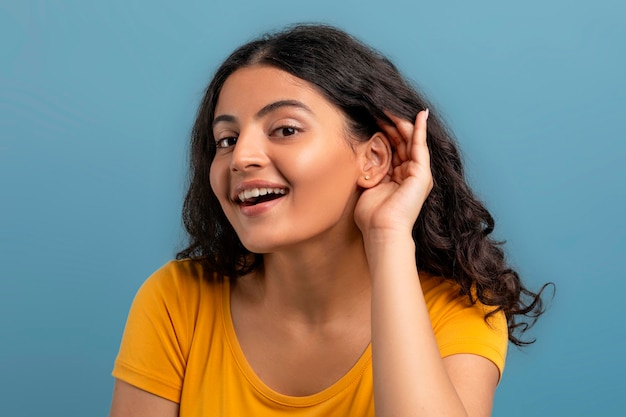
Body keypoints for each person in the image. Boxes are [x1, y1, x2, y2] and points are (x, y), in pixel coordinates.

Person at [109, 24, 549, 417]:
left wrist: (389, 237)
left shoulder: (457, 311)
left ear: (373, 158)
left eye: (284, 129)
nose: (241, 157)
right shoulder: (175, 302)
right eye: (226, 139)